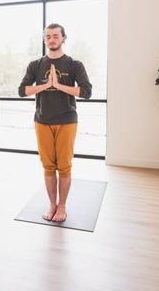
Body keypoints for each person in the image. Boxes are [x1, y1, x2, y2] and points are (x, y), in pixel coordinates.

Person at [18, 23, 92, 222]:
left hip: (67, 120)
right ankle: (52, 204)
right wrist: (45, 85)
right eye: (48, 36)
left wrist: (58, 85)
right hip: (42, 120)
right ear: (45, 40)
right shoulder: (35, 65)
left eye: (55, 36)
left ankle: (62, 206)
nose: (52, 39)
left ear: (64, 38)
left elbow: (86, 92)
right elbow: (22, 90)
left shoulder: (74, 65)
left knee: (65, 166)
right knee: (48, 166)